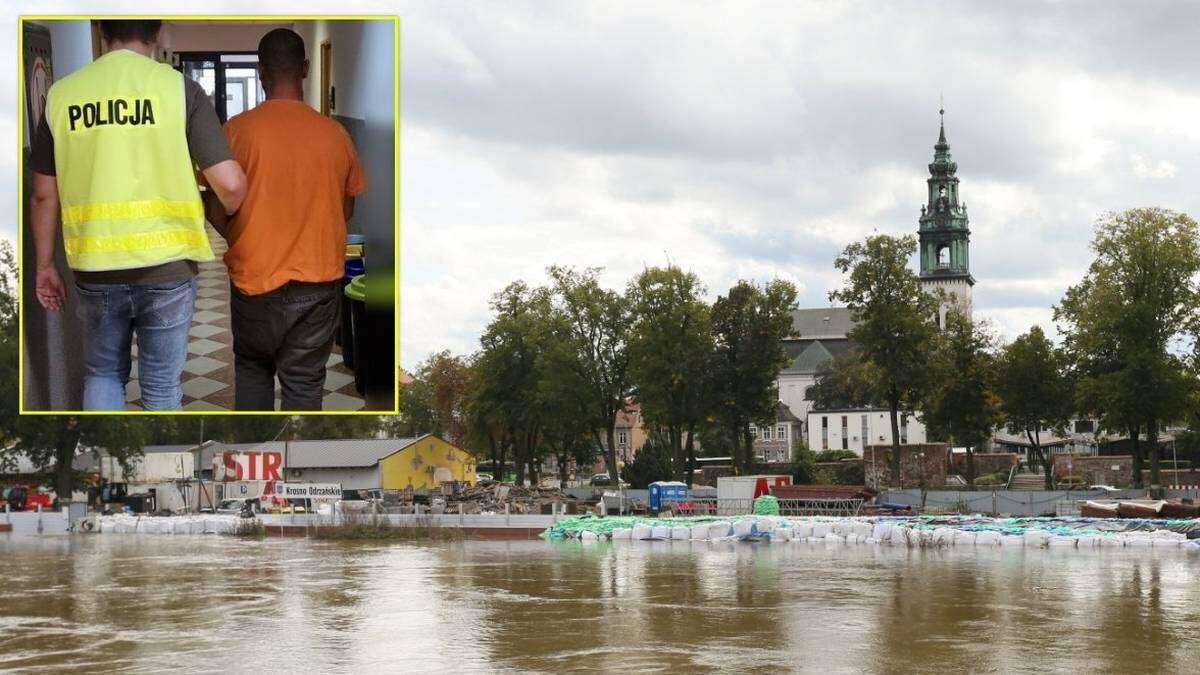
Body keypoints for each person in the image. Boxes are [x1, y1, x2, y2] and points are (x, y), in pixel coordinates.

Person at [30, 19, 246, 410]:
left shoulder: (61, 95)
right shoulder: (178, 89)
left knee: (101, 374)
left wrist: (45, 265)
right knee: (162, 386)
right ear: (158, 31)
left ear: (99, 29)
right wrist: (231, 214)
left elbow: (44, 194)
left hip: (94, 268)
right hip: (168, 267)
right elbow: (230, 185)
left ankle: (102, 456)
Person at [211, 28, 366, 411]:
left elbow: (214, 208)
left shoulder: (235, 132)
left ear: (261, 71)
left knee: (252, 370)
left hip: (254, 280)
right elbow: (346, 210)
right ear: (306, 69)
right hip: (318, 284)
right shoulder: (337, 135)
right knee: (304, 384)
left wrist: (243, 238)